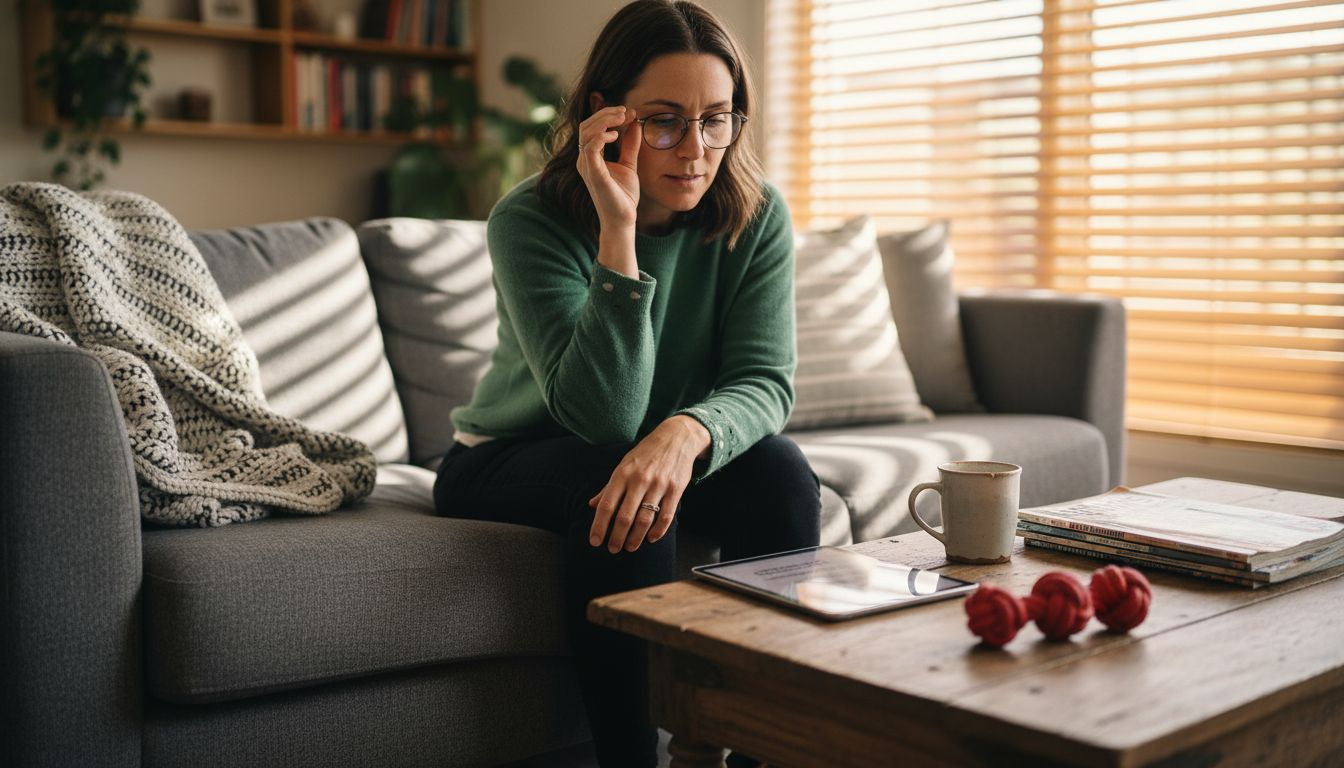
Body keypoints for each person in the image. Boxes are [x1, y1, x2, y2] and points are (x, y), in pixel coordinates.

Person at [432, 1, 822, 765]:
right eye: (665, 120)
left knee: (782, 475)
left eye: (717, 119)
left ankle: (751, 745)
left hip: (649, 448)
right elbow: (604, 418)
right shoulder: (530, 221)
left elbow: (765, 382)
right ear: (607, 118)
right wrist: (619, 229)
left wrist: (687, 432)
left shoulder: (757, 214)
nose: (696, 150)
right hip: (510, 455)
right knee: (620, 484)